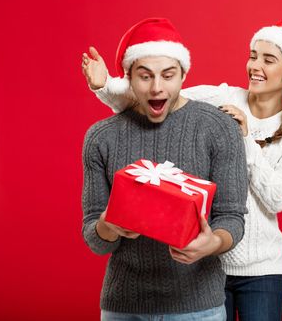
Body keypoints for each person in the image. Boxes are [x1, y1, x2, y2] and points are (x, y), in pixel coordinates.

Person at [83, 21, 282, 321]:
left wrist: (245, 139)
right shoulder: (223, 98)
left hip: (260, 265)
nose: (255, 65)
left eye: (268, 59)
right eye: (253, 55)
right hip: (204, 266)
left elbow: (278, 198)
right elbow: (160, 97)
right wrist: (105, 85)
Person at [81, 18, 248, 321]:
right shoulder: (100, 138)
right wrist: (109, 225)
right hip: (124, 308)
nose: (157, 87)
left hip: (199, 307)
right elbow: (93, 235)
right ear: (128, 77)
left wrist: (213, 243)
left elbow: (232, 218)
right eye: (145, 76)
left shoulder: (219, 128)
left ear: (184, 74)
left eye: (168, 75)